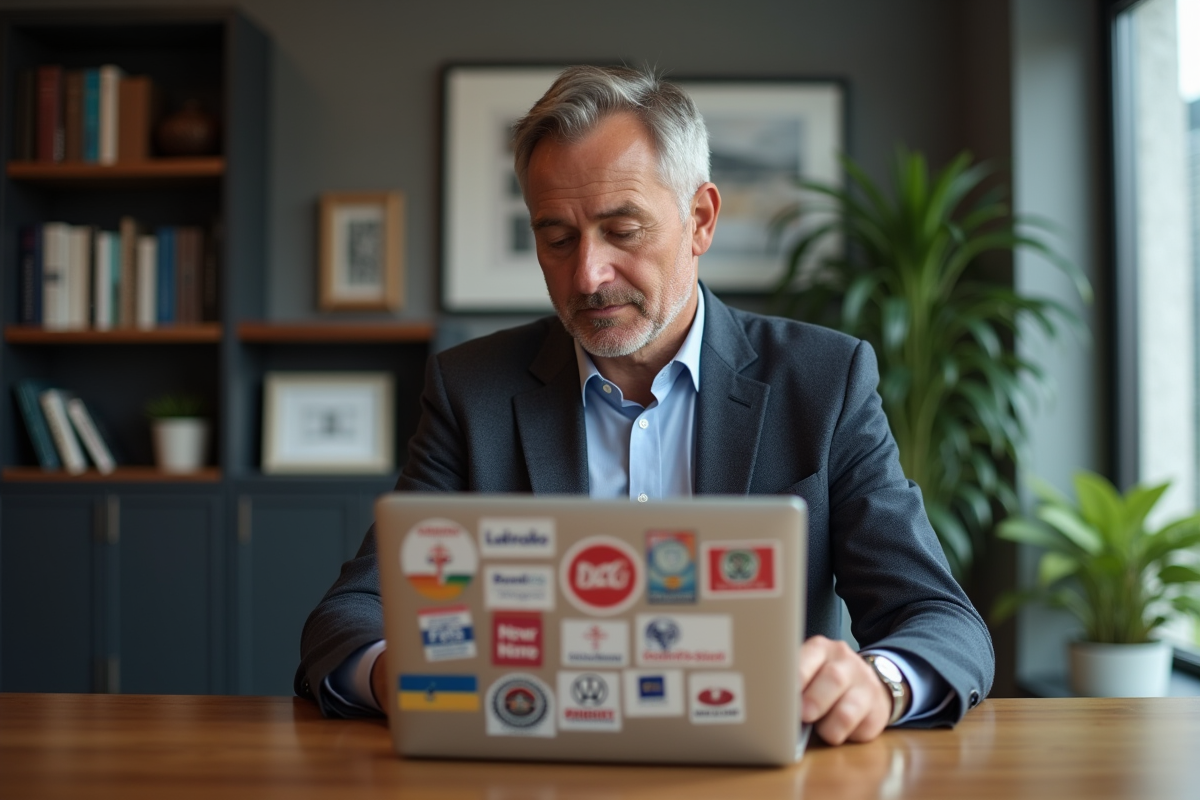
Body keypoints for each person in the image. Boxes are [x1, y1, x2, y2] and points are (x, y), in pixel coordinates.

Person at [295, 65, 994, 746]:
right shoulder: (469, 390)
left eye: (622, 230)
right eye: (556, 237)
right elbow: (351, 615)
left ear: (700, 219)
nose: (588, 275)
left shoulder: (825, 380)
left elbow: (939, 619)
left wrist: (880, 682)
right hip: (535, 759)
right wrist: (398, 674)